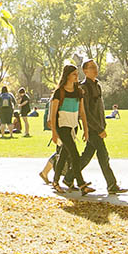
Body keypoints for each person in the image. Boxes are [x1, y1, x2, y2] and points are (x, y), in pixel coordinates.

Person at [79, 60, 127, 195]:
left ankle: (70, 177)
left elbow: (99, 107)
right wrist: (98, 129)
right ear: (85, 71)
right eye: (92, 67)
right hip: (92, 128)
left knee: (87, 155)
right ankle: (112, 184)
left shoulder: (97, 85)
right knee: (103, 155)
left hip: (99, 126)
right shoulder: (84, 88)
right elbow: (86, 112)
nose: (95, 69)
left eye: (96, 67)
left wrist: (103, 125)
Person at [48, 64, 94, 195]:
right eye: (74, 74)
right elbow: (53, 113)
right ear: (67, 75)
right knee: (74, 154)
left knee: (64, 154)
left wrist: (85, 129)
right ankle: (81, 184)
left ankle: (56, 181)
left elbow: (82, 112)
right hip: (62, 127)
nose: (76, 76)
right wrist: (54, 132)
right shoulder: (59, 92)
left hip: (74, 126)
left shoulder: (79, 91)